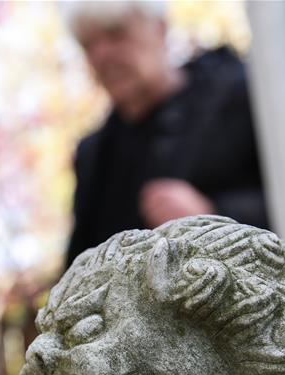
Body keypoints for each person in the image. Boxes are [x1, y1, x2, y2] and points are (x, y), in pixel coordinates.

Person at [64, 1, 270, 266]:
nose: (102, 54)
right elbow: (81, 266)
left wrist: (214, 215)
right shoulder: (94, 158)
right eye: (88, 45)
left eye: (115, 33)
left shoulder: (239, 96)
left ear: (160, 29)